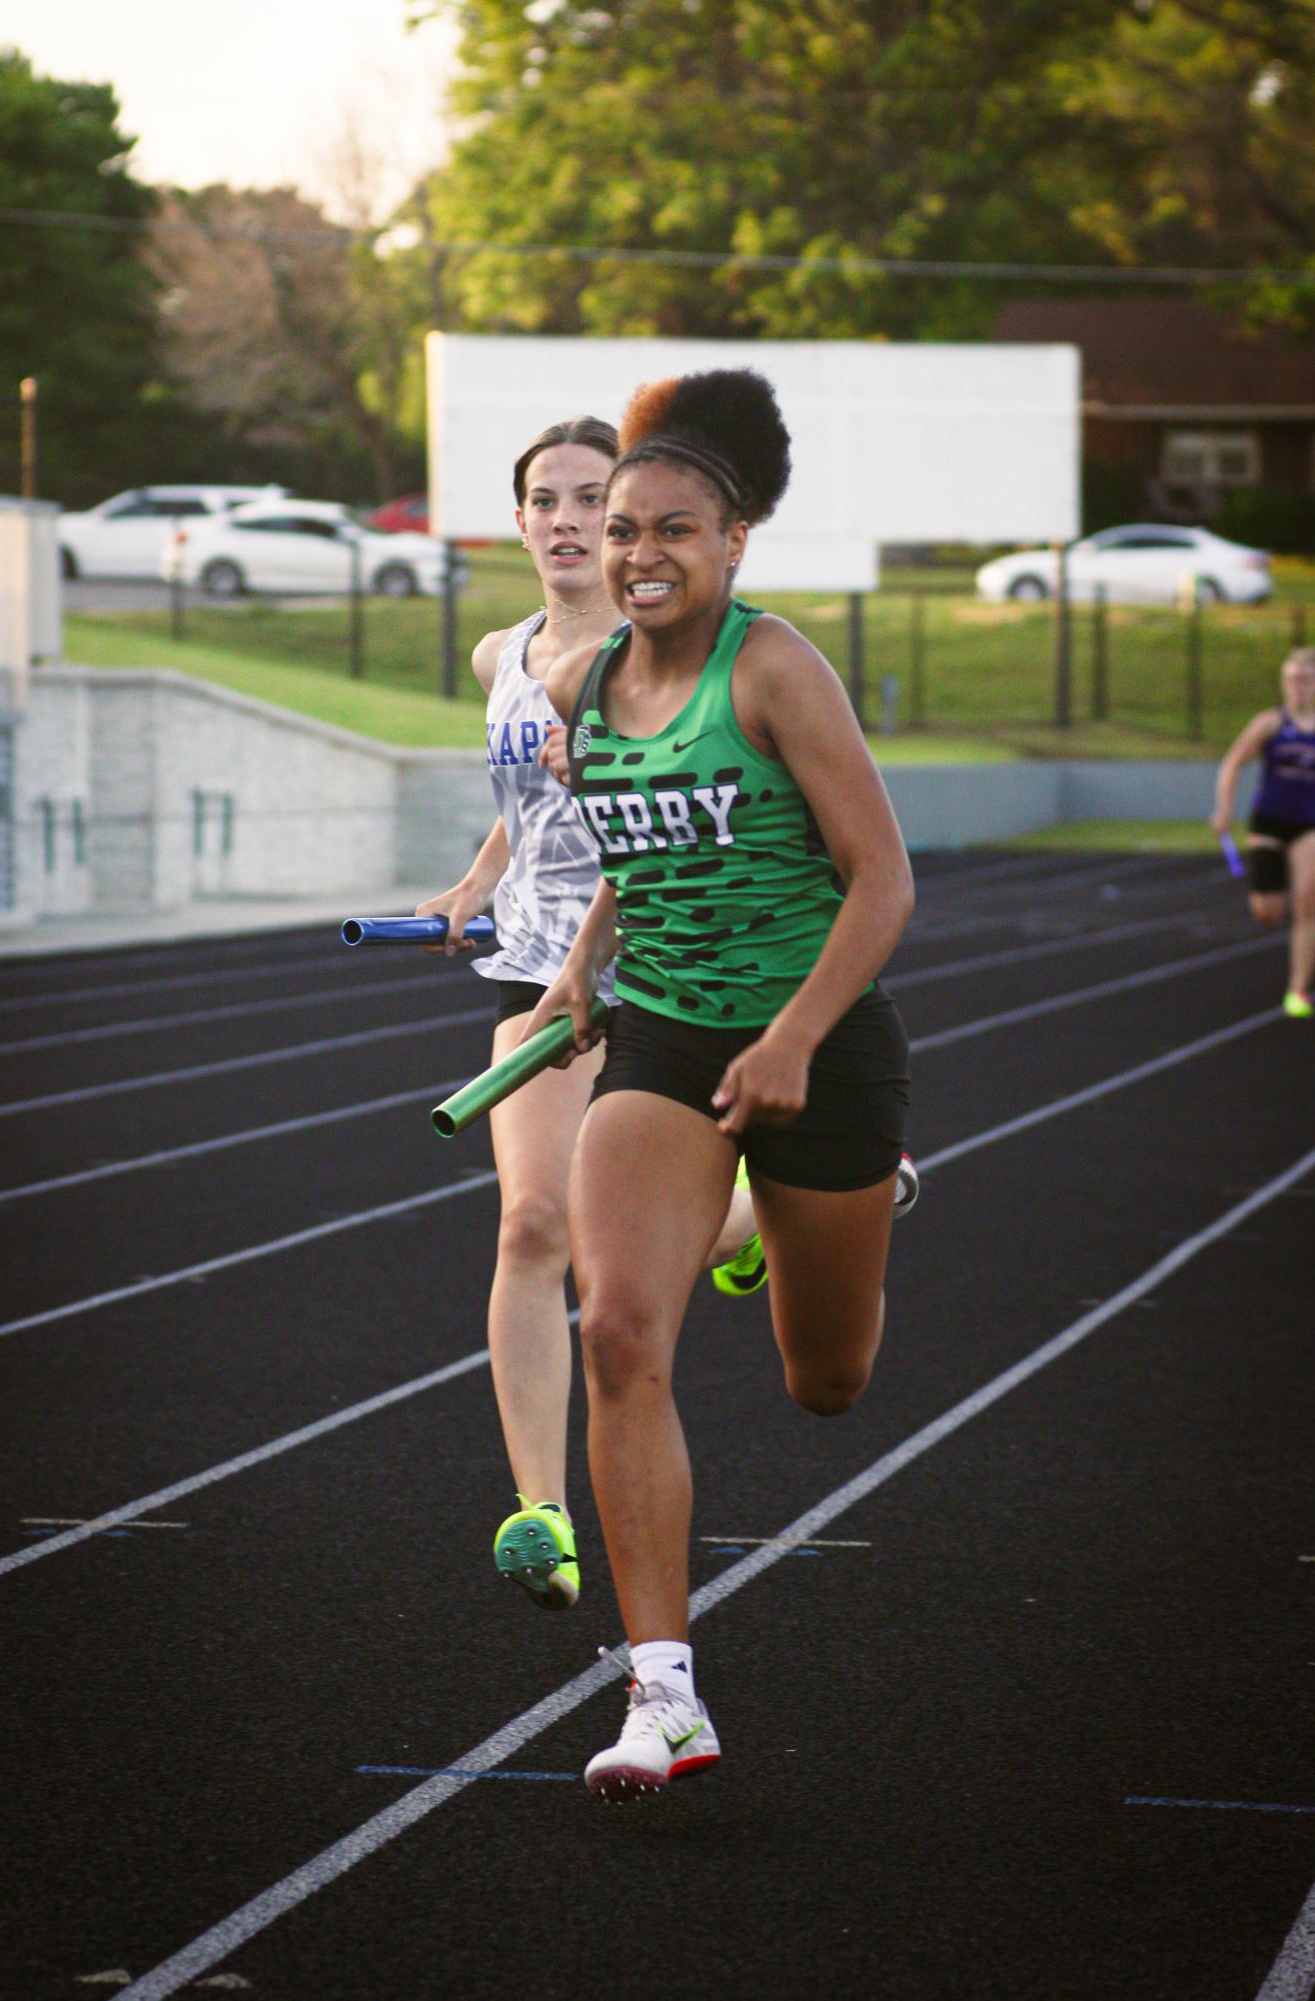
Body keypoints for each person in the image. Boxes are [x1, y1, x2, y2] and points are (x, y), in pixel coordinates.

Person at [525, 368, 915, 1798]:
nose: (638, 552)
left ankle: (788, 1216)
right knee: (616, 1326)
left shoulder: (773, 668)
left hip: (817, 1040)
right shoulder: (581, 686)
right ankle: (662, 1695)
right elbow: (642, 852)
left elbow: (883, 879)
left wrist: (799, 1038)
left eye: (671, 530)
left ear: (732, 539)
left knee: (827, 1381)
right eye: (622, 528)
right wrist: (580, 971)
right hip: (669, 1040)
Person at [413, 416, 760, 1614]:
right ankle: (538, 1514)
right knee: (532, 1225)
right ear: (518, 522)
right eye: (543, 501)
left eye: (587, 501)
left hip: (651, 969)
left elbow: (664, 811)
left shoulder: (658, 649)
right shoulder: (497, 654)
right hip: (530, 966)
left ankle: (751, 1216)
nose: (565, 521)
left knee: (628, 1259)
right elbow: (525, 803)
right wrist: (477, 880)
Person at [1211, 644, 1315, 1019]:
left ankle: (1298, 990)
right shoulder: (1271, 723)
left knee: (1307, 902)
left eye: (1304, 679)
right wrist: (1223, 810)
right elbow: (1232, 763)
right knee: (1269, 911)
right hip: (1270, 820)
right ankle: (1279, 899)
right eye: (1291, 679)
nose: (1298, 686)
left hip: (1309, 824)